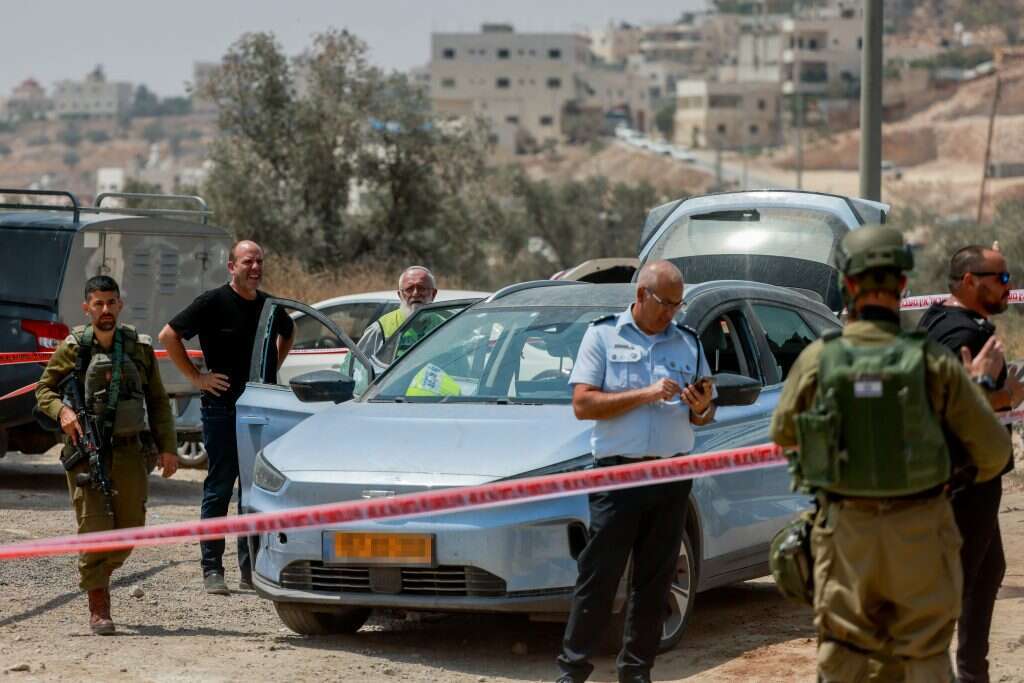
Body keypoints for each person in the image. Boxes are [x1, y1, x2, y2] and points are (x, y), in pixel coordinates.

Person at [770, 226, 1011, 682]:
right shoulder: (932, 362)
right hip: (921, 536)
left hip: (845, 540)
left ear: (849, 284)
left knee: (843, 659)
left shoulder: (820, 358)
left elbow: (784, 434)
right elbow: (994, 453)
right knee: (921, 658)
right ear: (902, 286)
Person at [556, 260, 716, 683]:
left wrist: (702, 409)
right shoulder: (603, 335)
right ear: (642, 294)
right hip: (617, 476)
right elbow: (583, 405)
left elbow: (703, 413)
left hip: (670, 476)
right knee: (600, 575)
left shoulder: (688, 342)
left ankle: (636, 671)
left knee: (655, 578)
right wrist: (644, 394)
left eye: (678, 305)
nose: (672, 313)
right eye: (666, 303)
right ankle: (573, 670)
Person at [36, 275, 179, 635]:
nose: (105, 310)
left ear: (120, 305)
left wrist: (168, 448)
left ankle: (97, 570)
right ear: (87, 307)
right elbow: (44, 390)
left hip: (131, 451)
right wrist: (62, 412)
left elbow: (158, 401)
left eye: (111, 303)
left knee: (130, 531)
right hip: (86, 452)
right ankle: (99, 605)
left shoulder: (138, 347)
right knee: (94, 528)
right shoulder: (74, 348)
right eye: (97, 304)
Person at [158, 240, 294, 595]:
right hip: (221, 408)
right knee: (219, 488)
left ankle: (250, 571)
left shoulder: (269, 306)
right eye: (248, 261)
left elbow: (289, 331)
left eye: (259, 261)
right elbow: (168, 335)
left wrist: (269, 370)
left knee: (254, 492)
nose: (255, 267)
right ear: (231, 267)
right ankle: (211, 568)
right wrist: (197, 378)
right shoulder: (212, 302)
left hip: (261, 410)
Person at [918, 244, 1021, 683]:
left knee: (990, 568)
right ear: (968, 282)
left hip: (969, 477)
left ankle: (971, 673)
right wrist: (1002, 398)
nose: (1008, 286)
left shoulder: (945, 319)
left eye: (1008, 277)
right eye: (999, 278)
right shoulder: (961, 335)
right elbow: (948, 402)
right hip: (963, 479)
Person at [356, 265, 438, 357]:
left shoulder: (446, 325)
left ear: (433, 294)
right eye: (409, 289)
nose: (415, 293)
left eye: (422, 288)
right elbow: (355, 365)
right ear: (400, 295)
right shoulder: (380, 329)